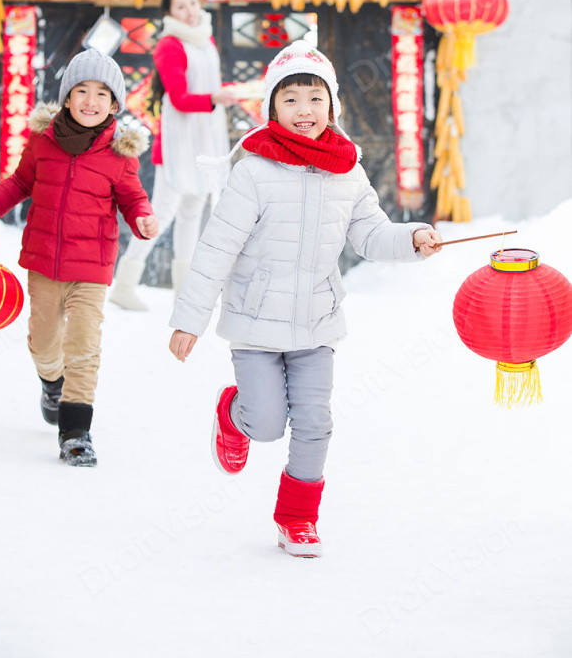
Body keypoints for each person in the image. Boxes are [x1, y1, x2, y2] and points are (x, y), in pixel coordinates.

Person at [168, 41, 442, 556]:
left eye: (314, 99)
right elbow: (216, 247)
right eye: (290, 99)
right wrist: (190, 319)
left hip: (318, 321)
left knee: (316, 423)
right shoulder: (252, 171)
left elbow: (370, 235)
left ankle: (297, 519)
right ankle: (234, 415)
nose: (304, 111)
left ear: (331, 107)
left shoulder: (348, 170)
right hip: (255, 322)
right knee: (268, 425)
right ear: (272, 108)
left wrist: (412, 239)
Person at [0, 48, 157, 467]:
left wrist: (141, 215)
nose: (91, 101)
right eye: (82, 91)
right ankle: (51, 382)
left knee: (84, 346)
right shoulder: (43, 141)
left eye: (102, 94)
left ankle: (75, 431)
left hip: (92, 266)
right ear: (67, 97)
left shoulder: (119, 154)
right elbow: (21, 181)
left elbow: (132, 196)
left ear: (114, 105)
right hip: (44, 261)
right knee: (43, 341)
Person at [110, 0, 236, 311]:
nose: (190, 11)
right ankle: (124, 285)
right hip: (178, 145)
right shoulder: (169, 45)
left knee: (192, 211)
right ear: (169, 14)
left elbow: (206, 87)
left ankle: (183, 292)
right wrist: (213, 98)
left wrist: (219, 93)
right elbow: (179, 98)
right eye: (181, 7)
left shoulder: (205, 39)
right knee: (162, 213)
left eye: (193, 3)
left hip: (203, 139)